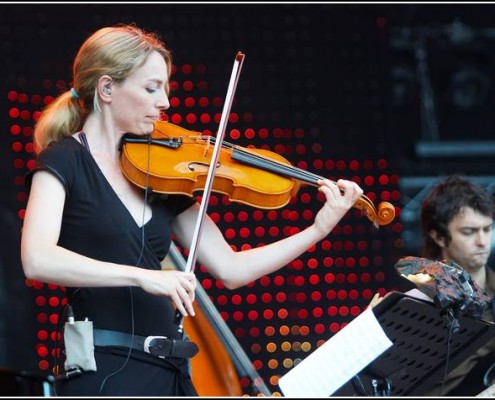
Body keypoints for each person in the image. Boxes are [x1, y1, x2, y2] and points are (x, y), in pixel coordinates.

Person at [19, 24, 364, 396]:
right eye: (151, 88)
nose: (165, 101)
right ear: (107, 89)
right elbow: (37, 259)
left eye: (166, 87)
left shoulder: (161, 171)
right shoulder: (64, 161)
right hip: (99, 369)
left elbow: (231, 269)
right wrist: (142, 276)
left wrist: (317, 230)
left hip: (169, 370)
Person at [420, 174, 495, 396]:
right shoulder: (418, 299)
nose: (482, 241)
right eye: (469, 232)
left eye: (487, 228)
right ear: (439, 236)